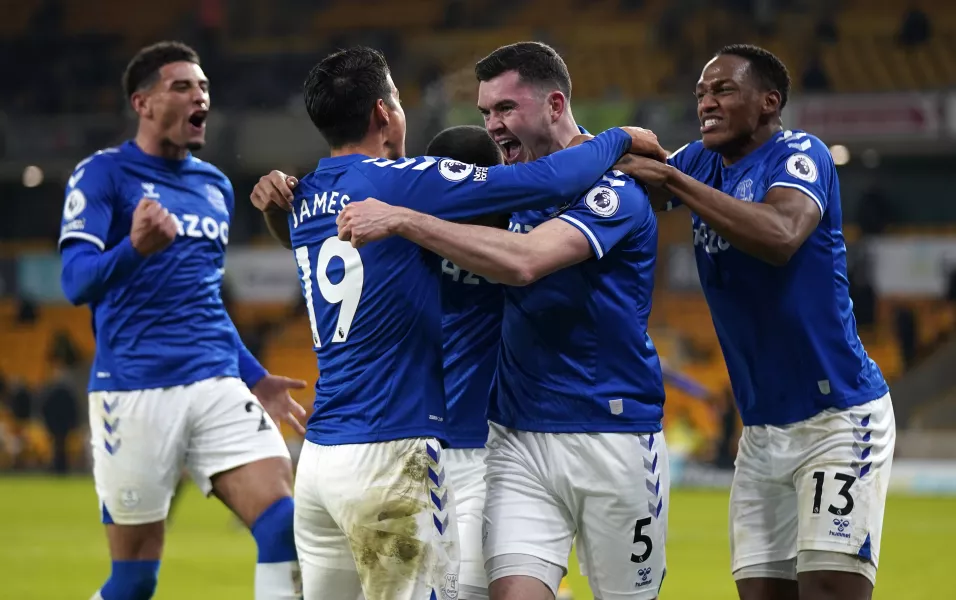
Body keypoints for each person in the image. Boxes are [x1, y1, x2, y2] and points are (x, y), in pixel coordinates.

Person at [247, 46, 659, 600]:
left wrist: (281, 208)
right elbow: (542, 192)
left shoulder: (321, 197)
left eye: (503, 109)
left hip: (338, 452)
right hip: (406, 448)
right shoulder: (409, 196)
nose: (491, 124)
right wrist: (619, 138)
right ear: (384, 113)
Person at [617, 44, 894, 600]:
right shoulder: (701, 161)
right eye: (700, 93)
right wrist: (601, 148)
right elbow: (627, 185)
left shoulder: (801, 153)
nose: (706, 103)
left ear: (769, 102)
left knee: (827, 587)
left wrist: (675, 183)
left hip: (836, 417)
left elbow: (780, 235)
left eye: (722, 90)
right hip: (762, 431)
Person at [57, 41, 306, 600]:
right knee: (134, 580)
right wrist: (134, 249)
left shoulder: (214, 186)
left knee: (284, 524)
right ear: (142, 103)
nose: (201, 97)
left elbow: (203, 300)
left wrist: (253, 374)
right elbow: (75, 282)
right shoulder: (102, 176)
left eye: (205, 88)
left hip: (216, 382)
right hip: (134, 390)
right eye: (183, 86)